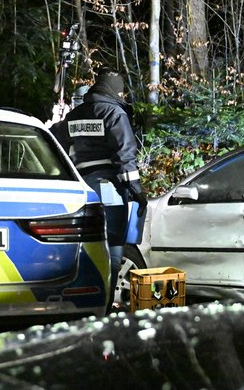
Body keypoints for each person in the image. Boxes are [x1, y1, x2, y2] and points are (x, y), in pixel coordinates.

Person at [58, 69, 147, 312]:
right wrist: (137, 191)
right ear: (114, 90)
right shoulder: (114, 113)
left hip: (82, 188)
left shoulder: (75, 115)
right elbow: (125, 155)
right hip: (110, 187)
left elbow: (59, 147)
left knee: (87, 245)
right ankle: (106, 304)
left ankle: (85, 301)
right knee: (114, 246)